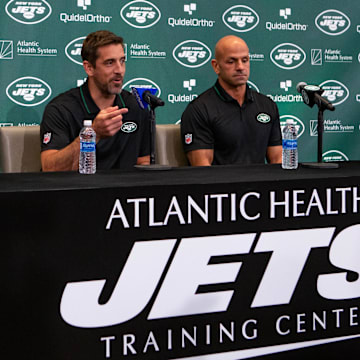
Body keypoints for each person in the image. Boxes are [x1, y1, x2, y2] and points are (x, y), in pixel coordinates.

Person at [40, 30, 150, 171]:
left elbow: (143, 161)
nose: (119, 70)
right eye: (110, 63)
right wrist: (93, 134)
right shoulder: (61, 109)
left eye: (122, 61)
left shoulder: (135, 106)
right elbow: (50, 168)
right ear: (89, 68)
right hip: (79, 191)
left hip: (125, 191)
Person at [181, 35, 282, 166]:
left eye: (244, 60)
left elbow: (278, 161)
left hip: (260, 185)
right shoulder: (199, 109)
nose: (240, 67)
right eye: (231, 61)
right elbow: (202, 170)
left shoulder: (267, 105)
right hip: (220, 186)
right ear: (216, 66)